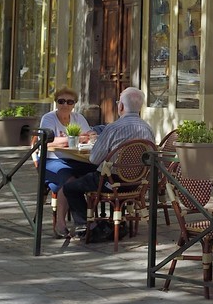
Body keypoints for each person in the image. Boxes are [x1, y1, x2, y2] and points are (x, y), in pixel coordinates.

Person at [63, 86, 156, 240]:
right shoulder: (148, 128)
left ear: (120, 106)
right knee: (93, 177)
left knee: (71, 188)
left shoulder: (113, 128)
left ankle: (90, 228)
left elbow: (94, 159)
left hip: (110, 182)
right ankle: (117, 224)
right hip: (136, 183)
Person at [35, 88, 96, 238]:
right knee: (68, 180)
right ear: (56, 102)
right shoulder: (49, 118)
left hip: (74, 159)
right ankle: (60, 224)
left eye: (69, 102)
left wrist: (90, 136)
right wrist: (75, 139)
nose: (65, 105)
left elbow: (89, 136)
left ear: (74, 104)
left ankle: (92, 220)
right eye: (61, 101)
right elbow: (46, 142)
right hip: (51, 159)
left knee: (97, 171)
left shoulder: (78, 118)